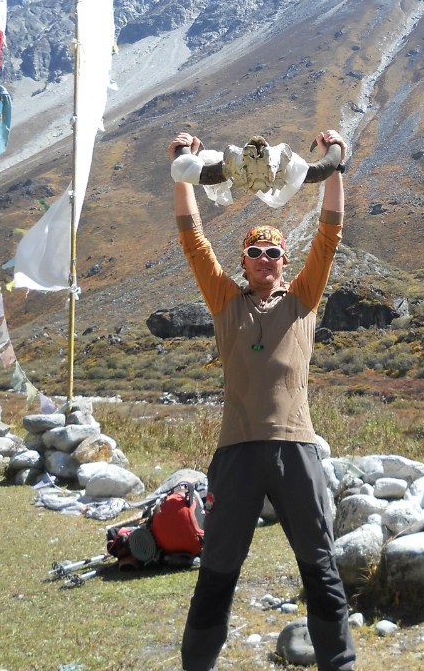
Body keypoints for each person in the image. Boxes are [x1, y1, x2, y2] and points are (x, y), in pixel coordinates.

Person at [167, 128, 356, 671]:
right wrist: (181, 166)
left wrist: (334, 165)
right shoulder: (226, 301)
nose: (267, 260)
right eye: (256, 253)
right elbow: (192, 239)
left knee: (319, 564)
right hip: (237, 453)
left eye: (274, 253)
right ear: (244, 261)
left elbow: (329, 234)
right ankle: (196, 663)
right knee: (219, 567)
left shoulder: (302, 299)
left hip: (297, 450)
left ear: (283, 258)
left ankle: (337, 663)